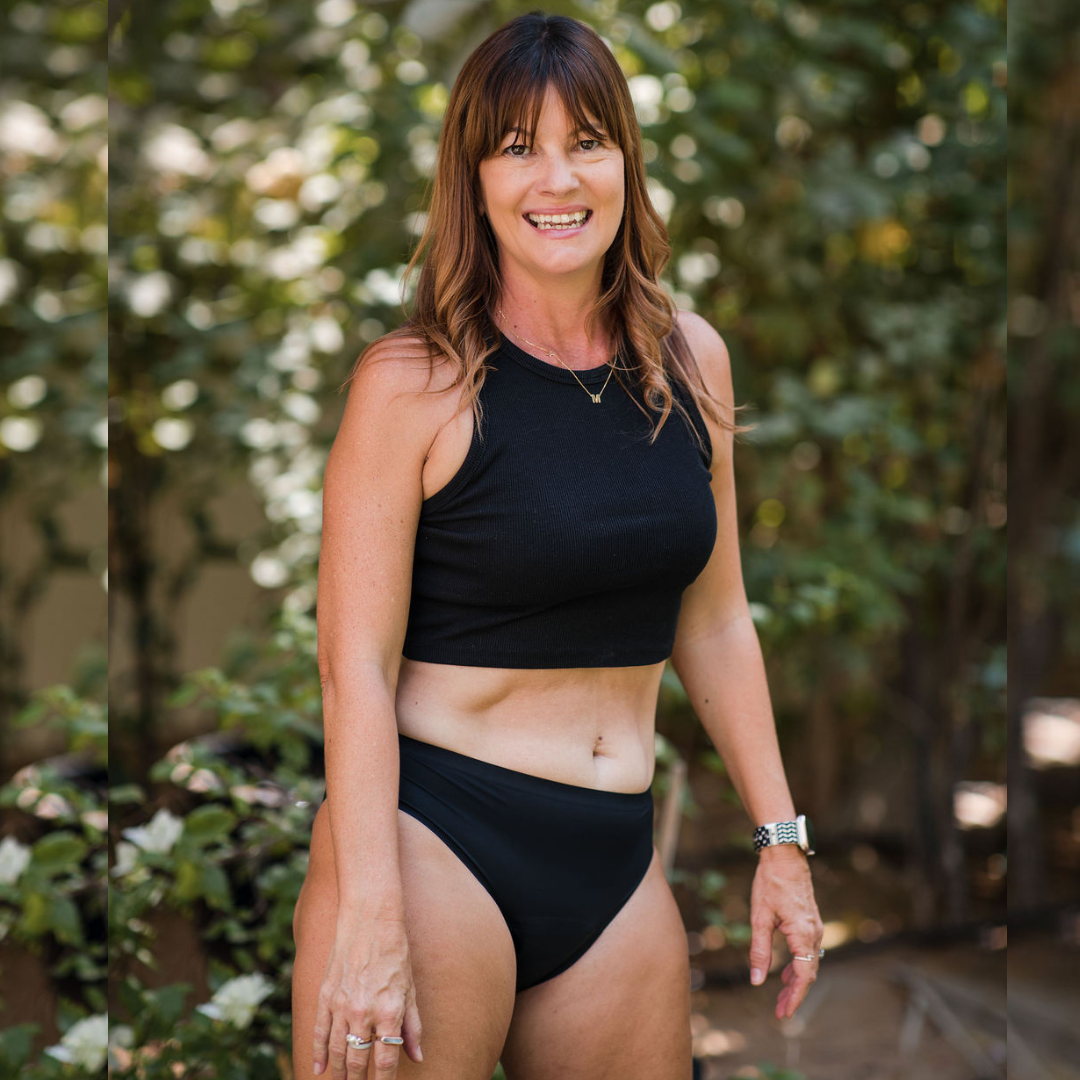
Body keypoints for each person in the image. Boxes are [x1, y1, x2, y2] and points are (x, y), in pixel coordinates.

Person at [291, 11, 824, 1080]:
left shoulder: (690, 361)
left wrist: (782, 842)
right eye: (517, 146)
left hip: (613, 865)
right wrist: (371, 911)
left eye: (586, 139)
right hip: (437, 838)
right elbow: (352, 668)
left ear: (625, 157)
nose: (557, 177)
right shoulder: (414, 384)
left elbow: (715, 622)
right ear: (474, 178)